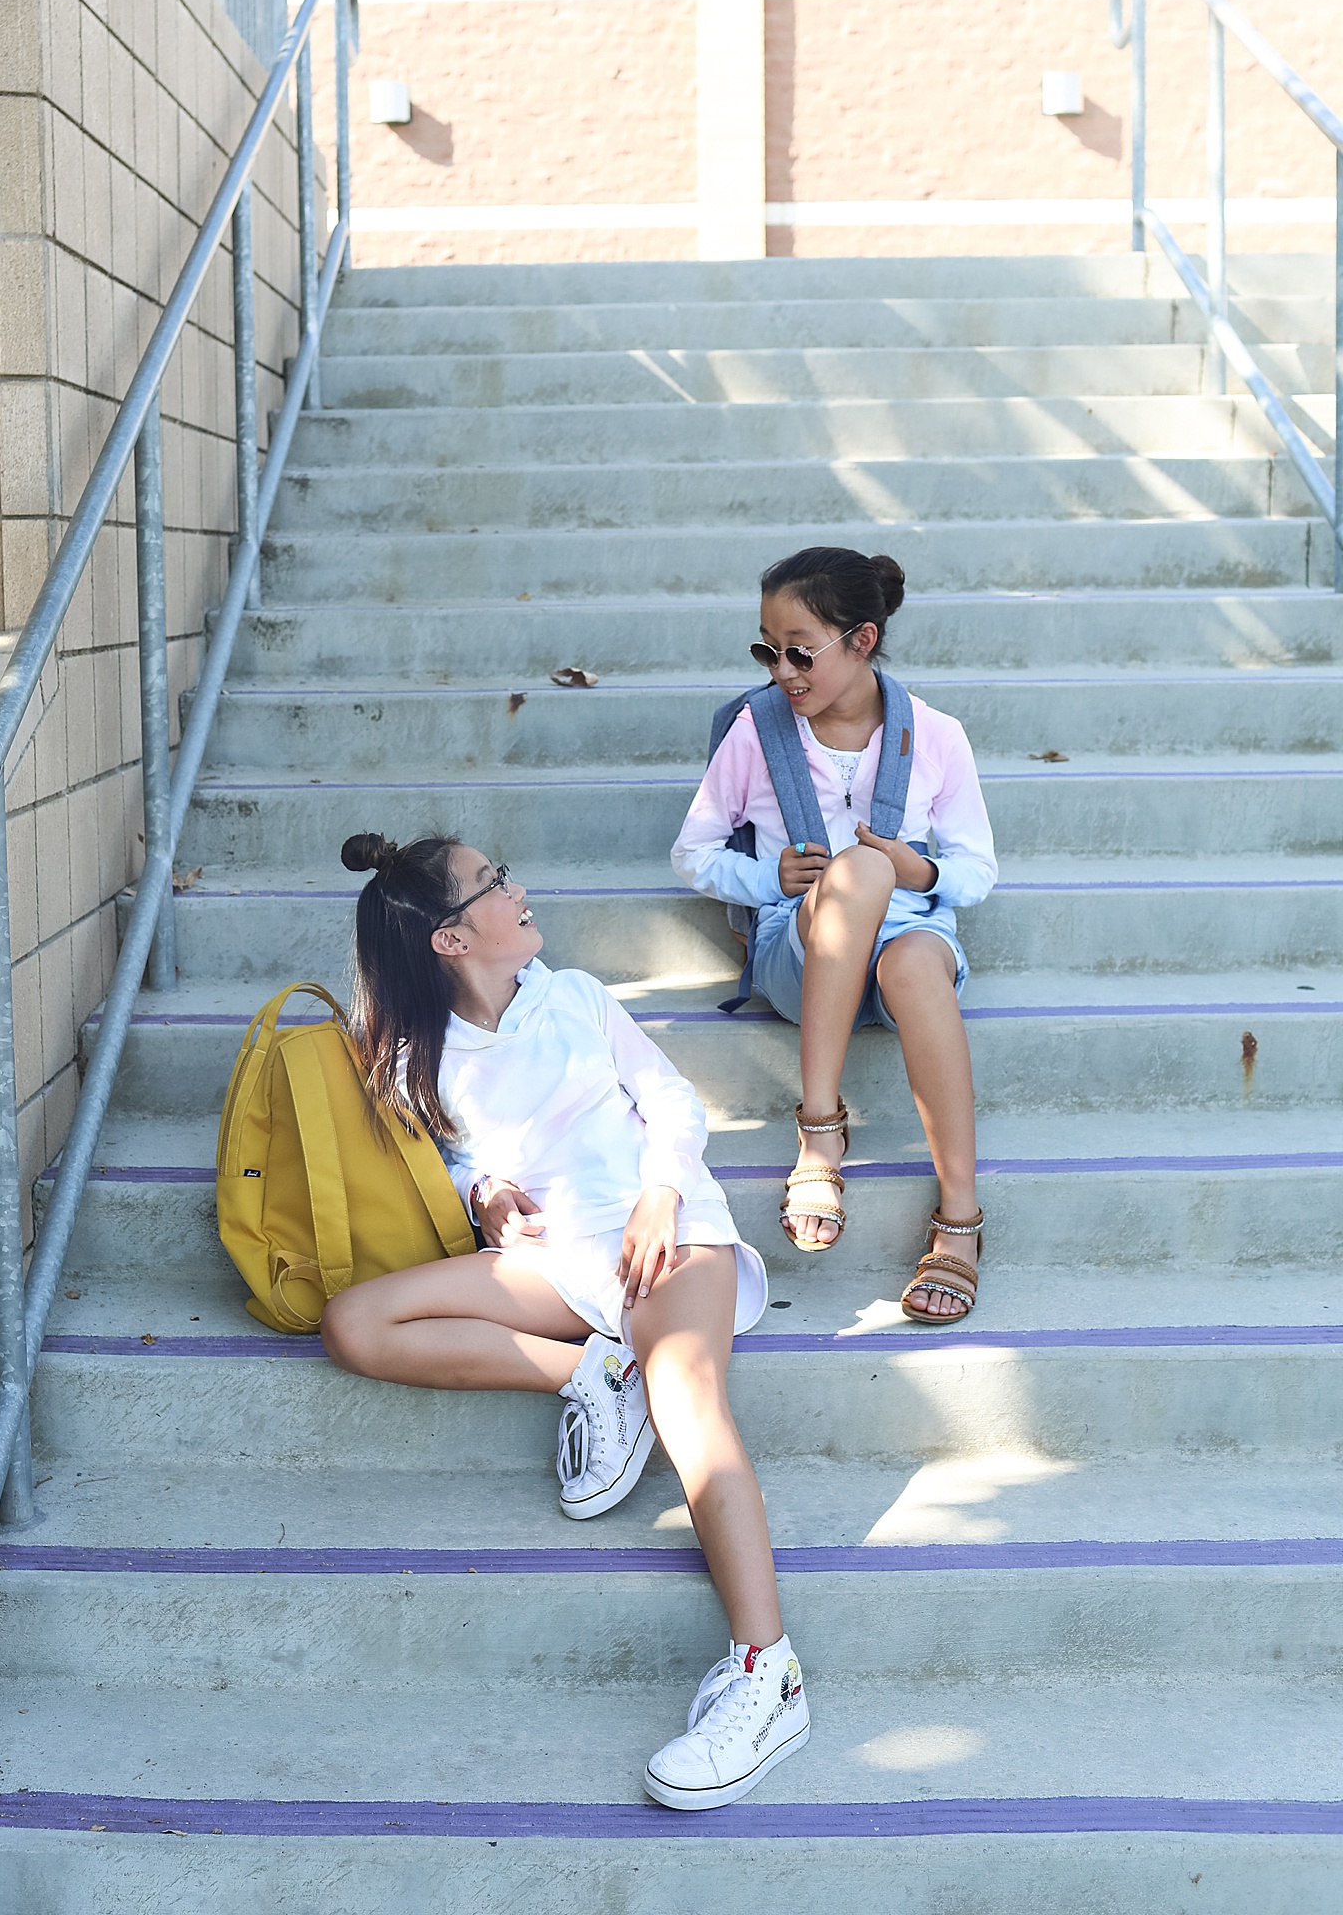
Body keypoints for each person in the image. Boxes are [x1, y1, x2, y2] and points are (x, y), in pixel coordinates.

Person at [319, 831, 809, 1810]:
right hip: (553, 1260)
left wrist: (663, 1194)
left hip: (662, 1239)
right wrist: (485, 1191)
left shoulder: (577, 995)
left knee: (692, 1412)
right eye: (494, 884)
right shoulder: (415, 1048)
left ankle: (768, 1674)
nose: (520, 886)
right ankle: (589, 1373)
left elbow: (668, 1099)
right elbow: (455, 1158)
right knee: (356, 1324)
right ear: (450, 941)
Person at [671, 546, 997, 1322]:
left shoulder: (938, 737)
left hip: (904, 945)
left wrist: (917, 871)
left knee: (914, 952)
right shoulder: (756, 731)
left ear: (863, 640)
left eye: (799, 651)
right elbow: (694, 850)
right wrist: (765, 879)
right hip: (800, 948)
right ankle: (820, 1131)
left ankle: (961, 1218)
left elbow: (978, 869)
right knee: (853, 874)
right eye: (766, 649)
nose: (782, 670)